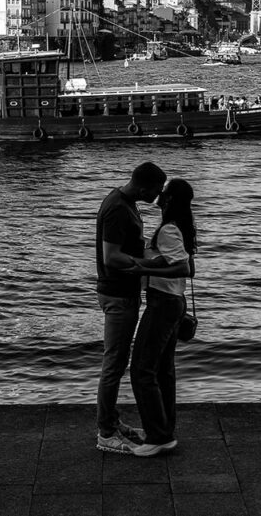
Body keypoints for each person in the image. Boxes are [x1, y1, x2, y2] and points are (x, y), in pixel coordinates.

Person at [94, 161, 167, 454]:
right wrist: (150, 265)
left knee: (117, 362)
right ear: (143, 186)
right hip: (118, 294)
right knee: (113, 365)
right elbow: (111, 257)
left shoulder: (123, 203)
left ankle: (111, 421)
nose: (159, 196)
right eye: (157, 190)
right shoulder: (117, 209)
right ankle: (105, 433)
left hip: (124, 292)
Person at [129, 178, 197, 457]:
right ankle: (163, 429)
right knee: (163, 370)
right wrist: (151, 263)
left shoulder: (169, 229)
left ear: (169, 200)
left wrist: (142, 270)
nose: (159, 195)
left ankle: (158, 435)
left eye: (164, 193)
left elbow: (182, 268)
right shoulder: (183, 226)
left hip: (163, 304)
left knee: (141, 370)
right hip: (175, 302)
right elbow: (186, 266)